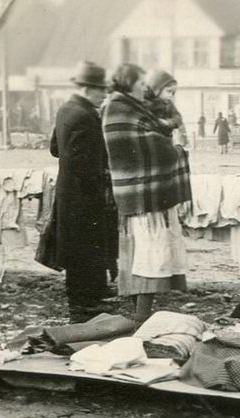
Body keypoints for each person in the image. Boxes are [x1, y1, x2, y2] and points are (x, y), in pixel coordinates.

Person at [102, 63, 190, 321]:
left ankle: (141, 313)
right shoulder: (119, 109)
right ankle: (141, 316)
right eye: (141, 83)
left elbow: (150, 137)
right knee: (148, 254)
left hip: (141, 193)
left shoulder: (134, 108)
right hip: (140, 195)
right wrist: (178, 150)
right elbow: (147, 146)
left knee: (144, 252)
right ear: (128, 85)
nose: (145, 88)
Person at [46, 61, 118, 320]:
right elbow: (81, 162)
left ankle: (93, 293)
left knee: (80, 245)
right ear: (88, 89)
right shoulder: (85, 115)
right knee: (85, 246)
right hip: (84, 192)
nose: (104, 96)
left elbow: (55, 149)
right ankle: (85, 302)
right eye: (101, 91)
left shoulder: (66, 109)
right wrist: (101, 178)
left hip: (70, 190)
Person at [146, 70, 188, 147]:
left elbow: (178, 118)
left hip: (166, 141)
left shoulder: (168, 104)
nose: (171, 95)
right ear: (157, 90)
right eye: (169, 91)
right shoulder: (146, 104)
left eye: (173, 93)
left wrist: (168, 122)